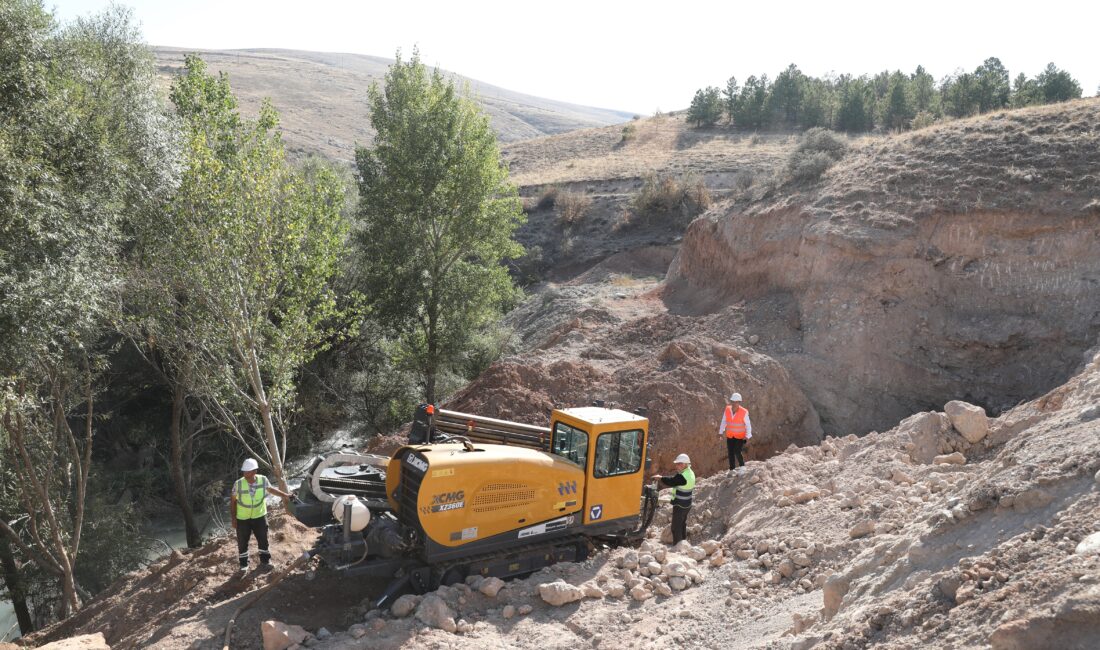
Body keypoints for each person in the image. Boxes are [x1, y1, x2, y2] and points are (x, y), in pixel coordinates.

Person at [231, 458, 292, 572]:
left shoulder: (263, 480)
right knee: (242, 542)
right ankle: (243, 565)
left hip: (259, 515)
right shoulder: (238, 484)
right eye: (244, 472)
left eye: (248, 472)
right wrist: (234, 518)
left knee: (263, 539)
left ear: (255, 471)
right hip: (243, 518)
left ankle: (265, 561)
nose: (245, 474)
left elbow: (271, 490)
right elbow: (233, 501)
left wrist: (285, 495)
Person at [650, 453, 695, 545]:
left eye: (678, 464)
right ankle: (683, 544)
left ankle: (678, 546)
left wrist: (660, 478)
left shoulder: (683, 476)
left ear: (683, 464)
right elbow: (675, 480)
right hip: (687, 504)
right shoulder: (690, 472)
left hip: (680, 504)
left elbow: (672, 481)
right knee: (682, 524)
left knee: (676, 527)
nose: (676, 466)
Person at [719, 392, 752, 471]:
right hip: (730, 435)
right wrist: (720, 432)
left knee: (737, 451)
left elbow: (748, 425)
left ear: (739, 402)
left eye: (736, 402)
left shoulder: (744, 412)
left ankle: (742, 466)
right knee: (730, 453)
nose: (734, 404)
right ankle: (732, 470)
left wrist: (748, 436)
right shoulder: (727, 410)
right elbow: (724, 421)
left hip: (740, 436)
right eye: (733, 401)